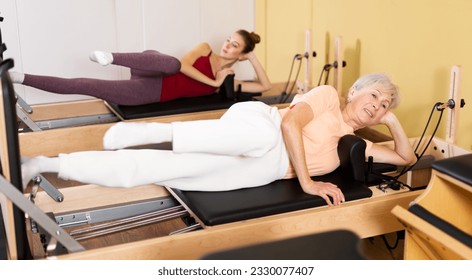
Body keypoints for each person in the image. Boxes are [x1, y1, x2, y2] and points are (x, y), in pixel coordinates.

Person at [21, 73, 416, 206]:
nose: (377, 105)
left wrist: (393, 119)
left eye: (383, 105)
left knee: (160, 170)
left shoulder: (355, 141)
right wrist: (309, 182)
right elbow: (291, 123)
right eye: (374, 96)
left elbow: (406, 158)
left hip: (269, 168)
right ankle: (153, 132)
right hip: (265, 129)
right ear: (354, 92)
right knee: (258, 138)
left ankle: (49, 165)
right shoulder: (328, 95)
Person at [10, 30, 271, 106]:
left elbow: (265, 87)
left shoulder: (228, 77)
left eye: (234, 45)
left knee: (84, 85)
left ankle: (19, 77)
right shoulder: (205, 48)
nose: (226, 45)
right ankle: (109, 57)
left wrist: (253, 58)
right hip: (155, 67)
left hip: (150, 90)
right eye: (228, 40)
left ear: (241, 53)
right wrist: (213, 83)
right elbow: (184, 66)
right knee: (172, 63)